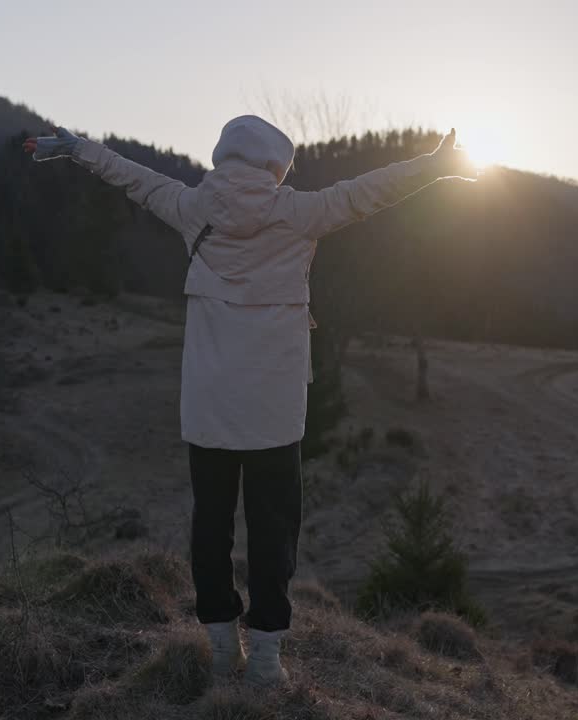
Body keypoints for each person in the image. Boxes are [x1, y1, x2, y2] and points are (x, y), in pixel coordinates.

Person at [24, 116, 473, 686]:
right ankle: (265, 659)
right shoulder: (300, 213)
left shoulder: (190, 208)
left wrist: (78, 149)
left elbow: (131, 177)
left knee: (209, 527)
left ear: (223, 157)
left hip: (208, 406)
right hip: (275, 414)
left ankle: (219, 649)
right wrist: (432, 166)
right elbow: (369, 192)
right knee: (273, 533)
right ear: (275, 165)